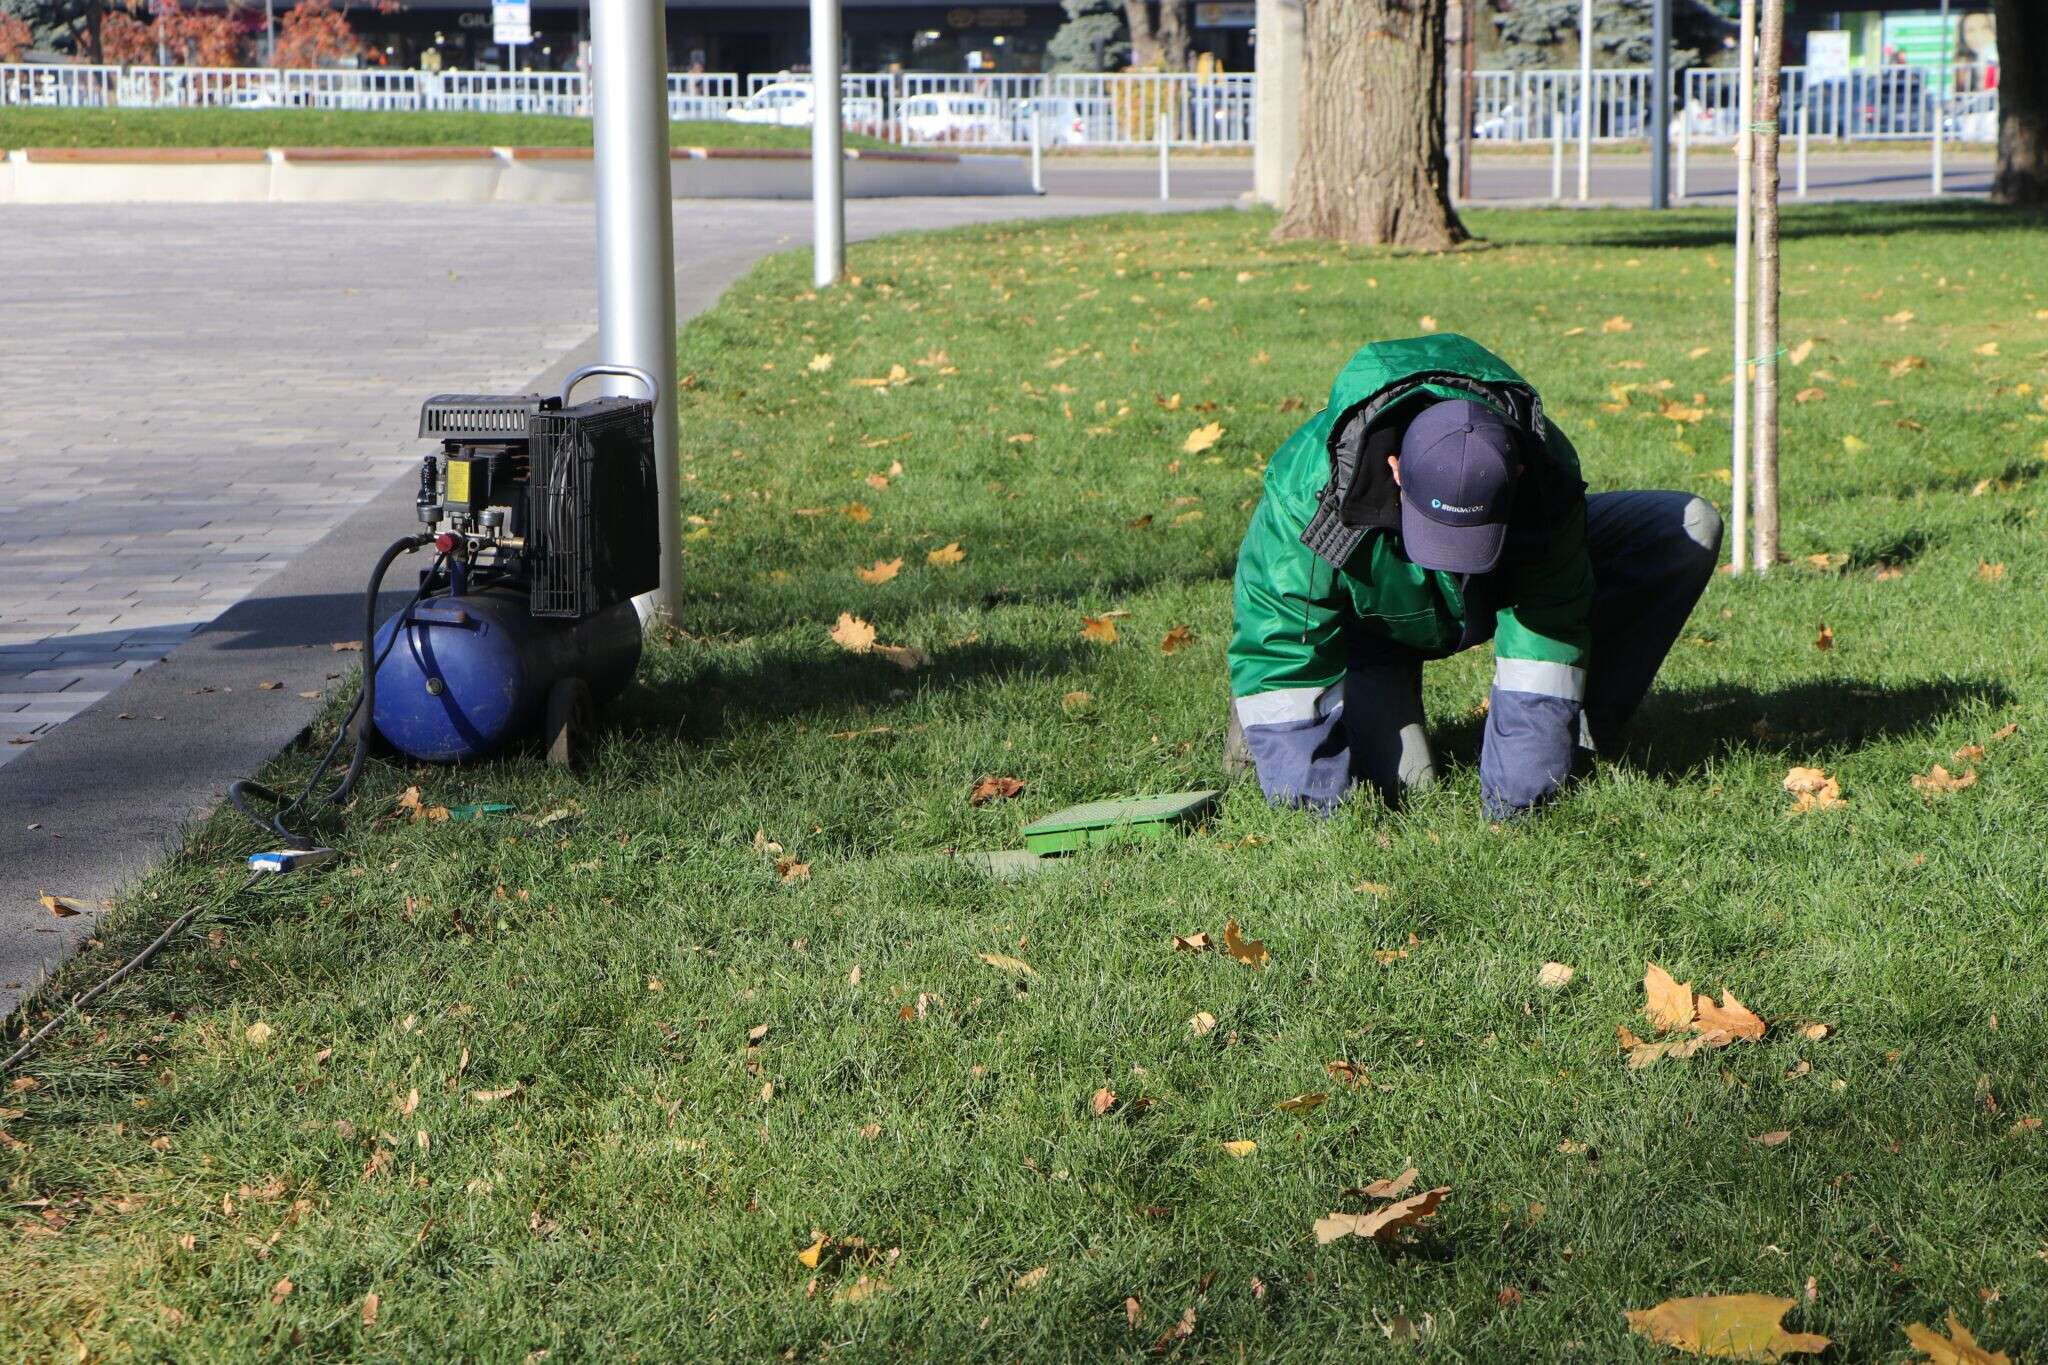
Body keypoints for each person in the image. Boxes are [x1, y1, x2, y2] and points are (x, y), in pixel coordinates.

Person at [1225, 333, 1723, 819]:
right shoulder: (1310, 493)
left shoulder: (1544, 474)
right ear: (1395, 469)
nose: (1452, 559)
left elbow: (1545, 639)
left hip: (1476, 602)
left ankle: (1579, 739)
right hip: (1366, 634)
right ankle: (1260, 742)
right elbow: (1282, 646)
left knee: (1684, 523)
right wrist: (1314, 812)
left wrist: (1520, 807)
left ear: (1517, 476)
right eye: (1437, 532)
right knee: (1406, 790)